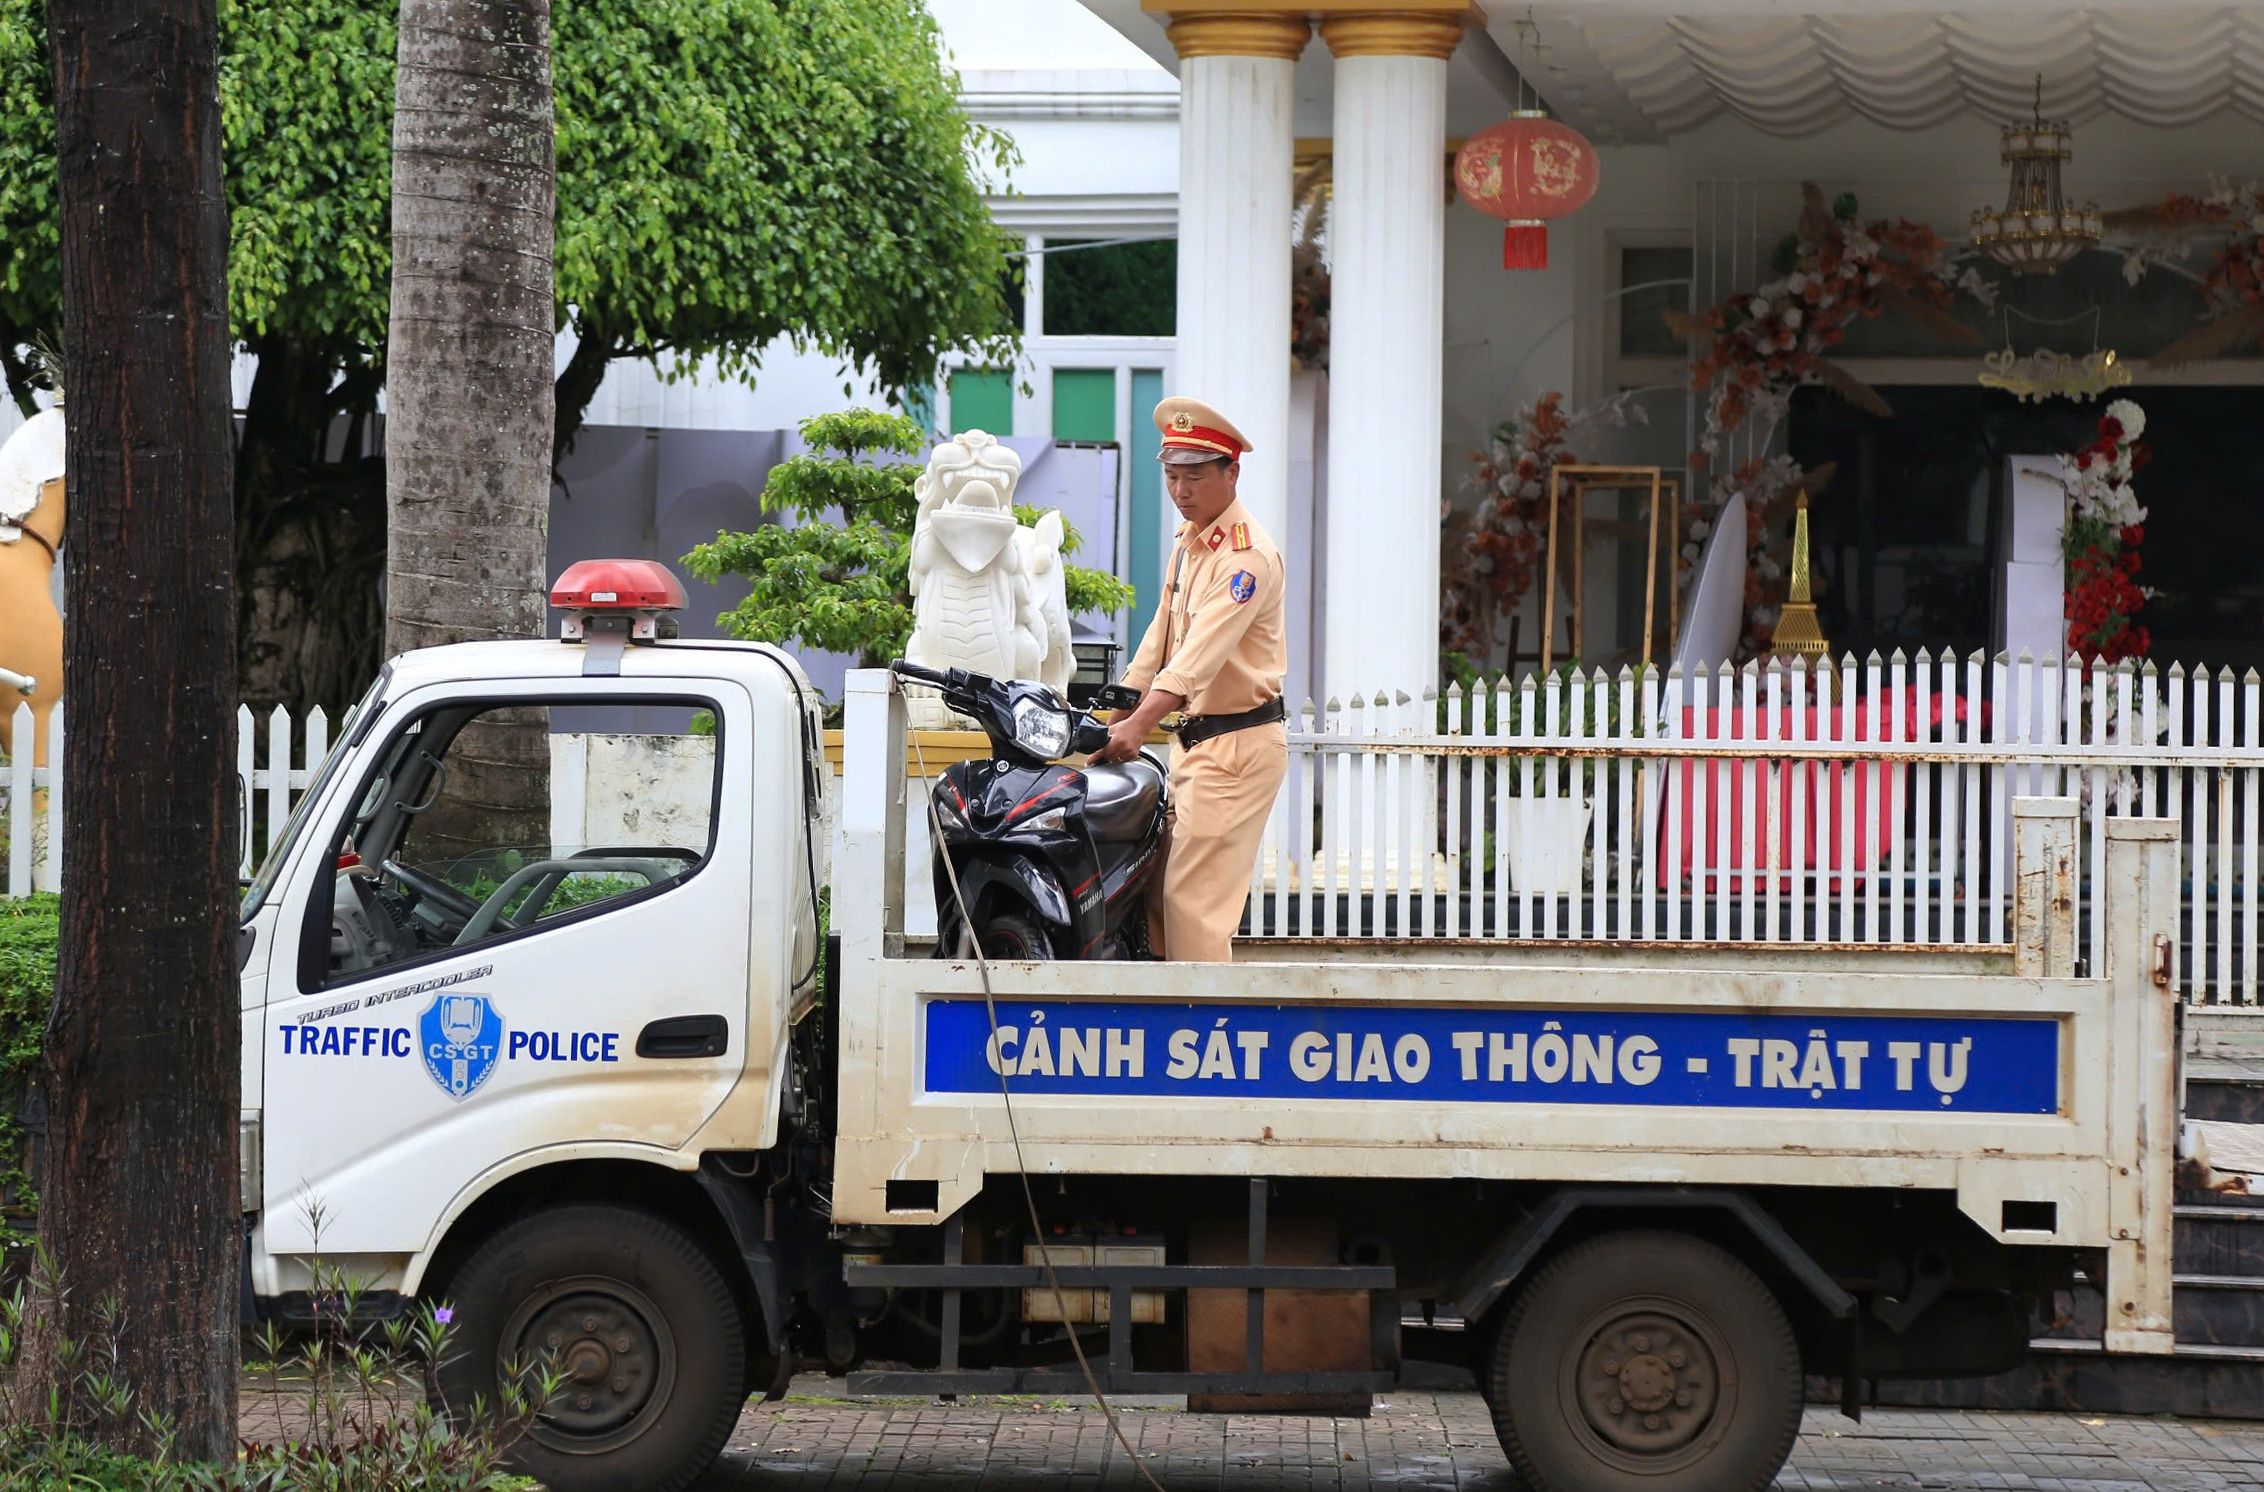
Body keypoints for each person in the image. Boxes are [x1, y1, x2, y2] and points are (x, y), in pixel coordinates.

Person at [1090, 397, 1287, 962]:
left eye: (1194, 477)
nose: (1180, 491)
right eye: (1172, 476)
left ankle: (1207, 1037)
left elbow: (1197, 659)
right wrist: (1118, 712)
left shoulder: (1245, 559)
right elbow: (1160, 638)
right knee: (1154, 898)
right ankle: (1166, 1030)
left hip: (1236, 746)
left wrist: (1138, 727)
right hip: (1196, 744)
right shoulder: (1190, 543)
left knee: (1193, 906)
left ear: (1232, 472)